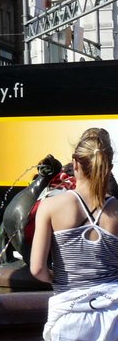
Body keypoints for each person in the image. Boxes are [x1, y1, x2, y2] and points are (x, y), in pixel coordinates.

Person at [30, 128, 118, 339]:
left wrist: (58, 278)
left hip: (69, 314)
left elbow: (37, 268)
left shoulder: (50, 206)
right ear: (109, 167)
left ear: (75, 163)